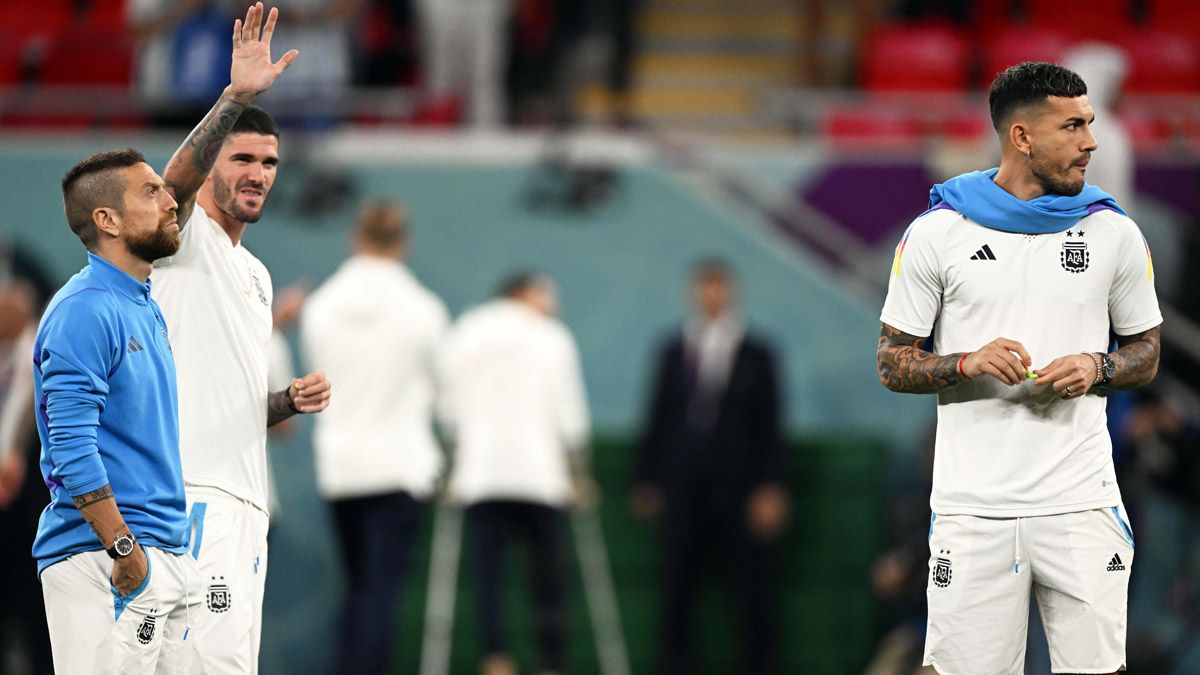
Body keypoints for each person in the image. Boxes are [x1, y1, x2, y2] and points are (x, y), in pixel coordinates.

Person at [877, 61, 1162, 675]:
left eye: (1090, 124)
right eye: (1073, 127)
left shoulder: (1113, 231)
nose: (1092, 142)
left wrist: (1097, 364)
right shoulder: (936, 233)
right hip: (973, 508)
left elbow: (1146, 351)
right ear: (1022, 137)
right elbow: (891, 361)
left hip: (1081, 502)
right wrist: (964, 361)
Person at [149, 4, 331, 672]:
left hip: (246, 503)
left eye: (270, 161)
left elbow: (237, 405)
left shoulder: (255, 275)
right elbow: (174, 185)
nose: (258, 172)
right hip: (190, 497)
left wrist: (285, 399)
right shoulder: (182, 234)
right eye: (243, 157)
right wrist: (234, 97)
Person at [31, 147, 198, 672]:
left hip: (161, 555)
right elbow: (70, 447)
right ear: (107, 220)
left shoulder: (141, 303)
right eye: (151, 191)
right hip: (106, 559)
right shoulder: (85, 310)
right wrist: (124, 549)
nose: (170, 202)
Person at [300, 200, 449, 674]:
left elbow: (316, 376)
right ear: (403, 243)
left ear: (355, 238)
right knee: (379, 594)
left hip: (340, 467)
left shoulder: (321, 305)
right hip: (400, 466)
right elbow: (443, 386)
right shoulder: (425, 309)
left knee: (359, 587)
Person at [630, 258, 788, 674]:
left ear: (731, 291)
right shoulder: (673, 351)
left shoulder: (758, 354)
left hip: (740, 488)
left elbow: (772, 424)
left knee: (750, 591)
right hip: (683, 488)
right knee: (677, 588)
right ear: (694, 292)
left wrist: (771, 486)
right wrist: (647, 477)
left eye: (719, 287)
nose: (712, 295)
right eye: (705, 287)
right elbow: (657, 417)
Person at [440, 272, 590, 675]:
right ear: (523, 293)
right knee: (549, 576)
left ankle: (496, 660)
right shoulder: (552, 335)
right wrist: (579, 475)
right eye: (546, 293)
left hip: (481, 474)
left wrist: (455, 463)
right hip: (542, 476)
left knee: (488, 573)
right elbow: (570, 414)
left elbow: (449, 407)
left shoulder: (467, 330)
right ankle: (552, 662)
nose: (553, 302)